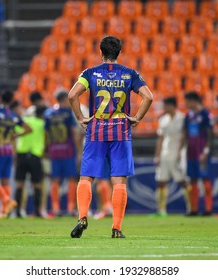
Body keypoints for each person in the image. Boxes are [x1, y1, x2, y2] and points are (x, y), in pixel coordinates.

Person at [68, 35, 153, 238]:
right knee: (119, 181)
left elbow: (72, 95)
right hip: (120, 131)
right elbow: (148, 96)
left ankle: (82, 217)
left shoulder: (90, 73)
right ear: (119, 53)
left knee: (86, 177)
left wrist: (81, 118)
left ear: (101, 52)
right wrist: (137, 118)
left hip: (96, 129)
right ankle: (116, 228)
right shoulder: (130, 74)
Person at [0, 91, 31, 218]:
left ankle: (7, 201)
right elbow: (28, 129)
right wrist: (15, 135)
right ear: (11, 101)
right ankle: (4, 211)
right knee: (5, 181)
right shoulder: (13, 115)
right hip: (9, 150)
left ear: (0, 99)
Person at [44, 89, 83, 216]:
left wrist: (46, 149)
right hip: (68, 151)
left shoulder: (48, 113)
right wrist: (78, 151)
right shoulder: (67, 113)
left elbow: (46, 134)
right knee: (72, 178)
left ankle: (55, 209)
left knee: (55, 179)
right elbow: (74, 132)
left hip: (54, 152)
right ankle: (71, 208)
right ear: (64, 100)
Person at [179, 92, 213, 216]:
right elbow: (185, 133)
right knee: (193, 180)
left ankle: (208, 209)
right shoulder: (189, 115)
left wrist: (207, 150)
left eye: (187, 101)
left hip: (202, 152)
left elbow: (210, 133)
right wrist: (181, 149)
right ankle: (194, 209)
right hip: (191, 152)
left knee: (205, 178)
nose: (186, 104)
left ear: (194, 101)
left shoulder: (205, 114)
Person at [12, 101, 47, 218]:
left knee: (19, 184)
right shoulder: (42, 123)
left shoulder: (24, 121)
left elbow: (14, 133)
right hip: (35, 156)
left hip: (21, 154)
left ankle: (17, 211)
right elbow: (47, 137)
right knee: (37, 184)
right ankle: (37, 211)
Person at [153, 97, 187, 216]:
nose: (164, 109)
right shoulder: (163, 119)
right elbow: (160, 138)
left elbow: (184, 136)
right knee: (161, 181)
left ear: (172, 106)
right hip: (165, 153)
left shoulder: (182, 118)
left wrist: (180, 151)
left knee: (182, 181)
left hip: (178, 153)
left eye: (166, 106)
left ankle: (191, 207)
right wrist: (157, 155)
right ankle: (161, 210)